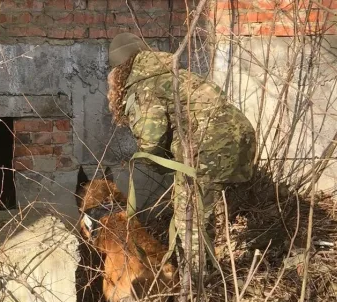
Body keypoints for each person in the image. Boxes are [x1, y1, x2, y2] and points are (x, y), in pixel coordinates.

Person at [106, 32, 257, 286]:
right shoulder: (172, 72)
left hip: (208, 148)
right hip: (239, 136)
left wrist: (155, 163)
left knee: (190, 221)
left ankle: (197, 289)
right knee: (200, 212)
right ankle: (208, 276)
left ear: (120, 69)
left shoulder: (142, 85)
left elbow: (151, 138)